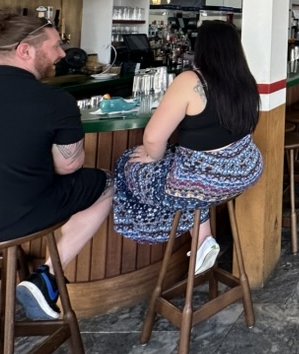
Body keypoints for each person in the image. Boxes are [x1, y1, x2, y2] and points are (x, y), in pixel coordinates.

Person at [0, 9, 113, 339]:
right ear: (25, 50)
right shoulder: (54, 100)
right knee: (107, 183)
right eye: (55, 46)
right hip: (20, 216)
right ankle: (46, 278)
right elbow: (68, 166)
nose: (62, 54)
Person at [112, 21, 262, 274]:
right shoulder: (245, 79)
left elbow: (153, 138)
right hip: (246, 170)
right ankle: (203, 240)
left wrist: (152, 157)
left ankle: (199, 241)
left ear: (201, 47)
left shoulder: (191, 80)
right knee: (190, 181)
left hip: (207, 180)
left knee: (130, 163)